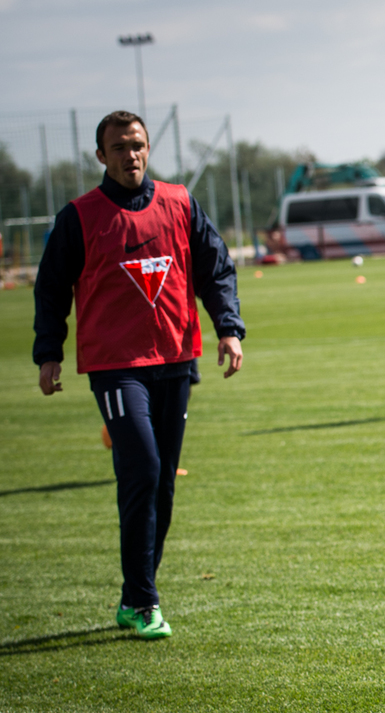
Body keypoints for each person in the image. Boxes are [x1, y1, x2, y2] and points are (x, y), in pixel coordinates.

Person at [33, 110, 246, 640]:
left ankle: (135, 595)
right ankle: (146, 599)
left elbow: (215, 267)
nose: (131, 154)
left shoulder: (180, 202)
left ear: (148, 148)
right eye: (119, 147)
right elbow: (51, 287)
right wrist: (48, 352)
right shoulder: (79, 217)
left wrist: (228, 328)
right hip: (115, 366)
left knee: (163, 484)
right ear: (100, 156)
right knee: (143, 470)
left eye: (138, 145)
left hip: (175, 358)